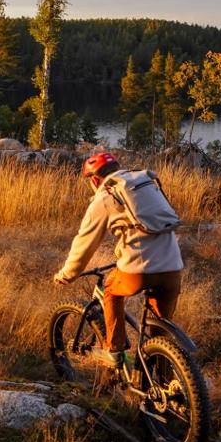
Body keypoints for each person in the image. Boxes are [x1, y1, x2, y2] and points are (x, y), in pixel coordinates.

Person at [53, 149, 184, 368]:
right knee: (160, 334)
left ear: (95, 179)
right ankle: (166, 388)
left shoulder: (107, 196)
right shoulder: (145, 183)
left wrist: (67, 274)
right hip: (173, 268)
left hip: (140, 271)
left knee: (110, 289)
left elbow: (83, 243)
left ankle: (114, 351)